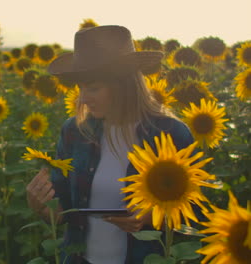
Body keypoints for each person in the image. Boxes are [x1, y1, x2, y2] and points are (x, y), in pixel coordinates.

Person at [26, 25, 196, 264]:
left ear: (125, 84)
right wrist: (44, 207)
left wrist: (152, 217)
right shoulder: (74, 132)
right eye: (80, 88)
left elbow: (196, 213)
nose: (83, 99)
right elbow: (62, 204)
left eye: (93, 88)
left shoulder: (170, 134)